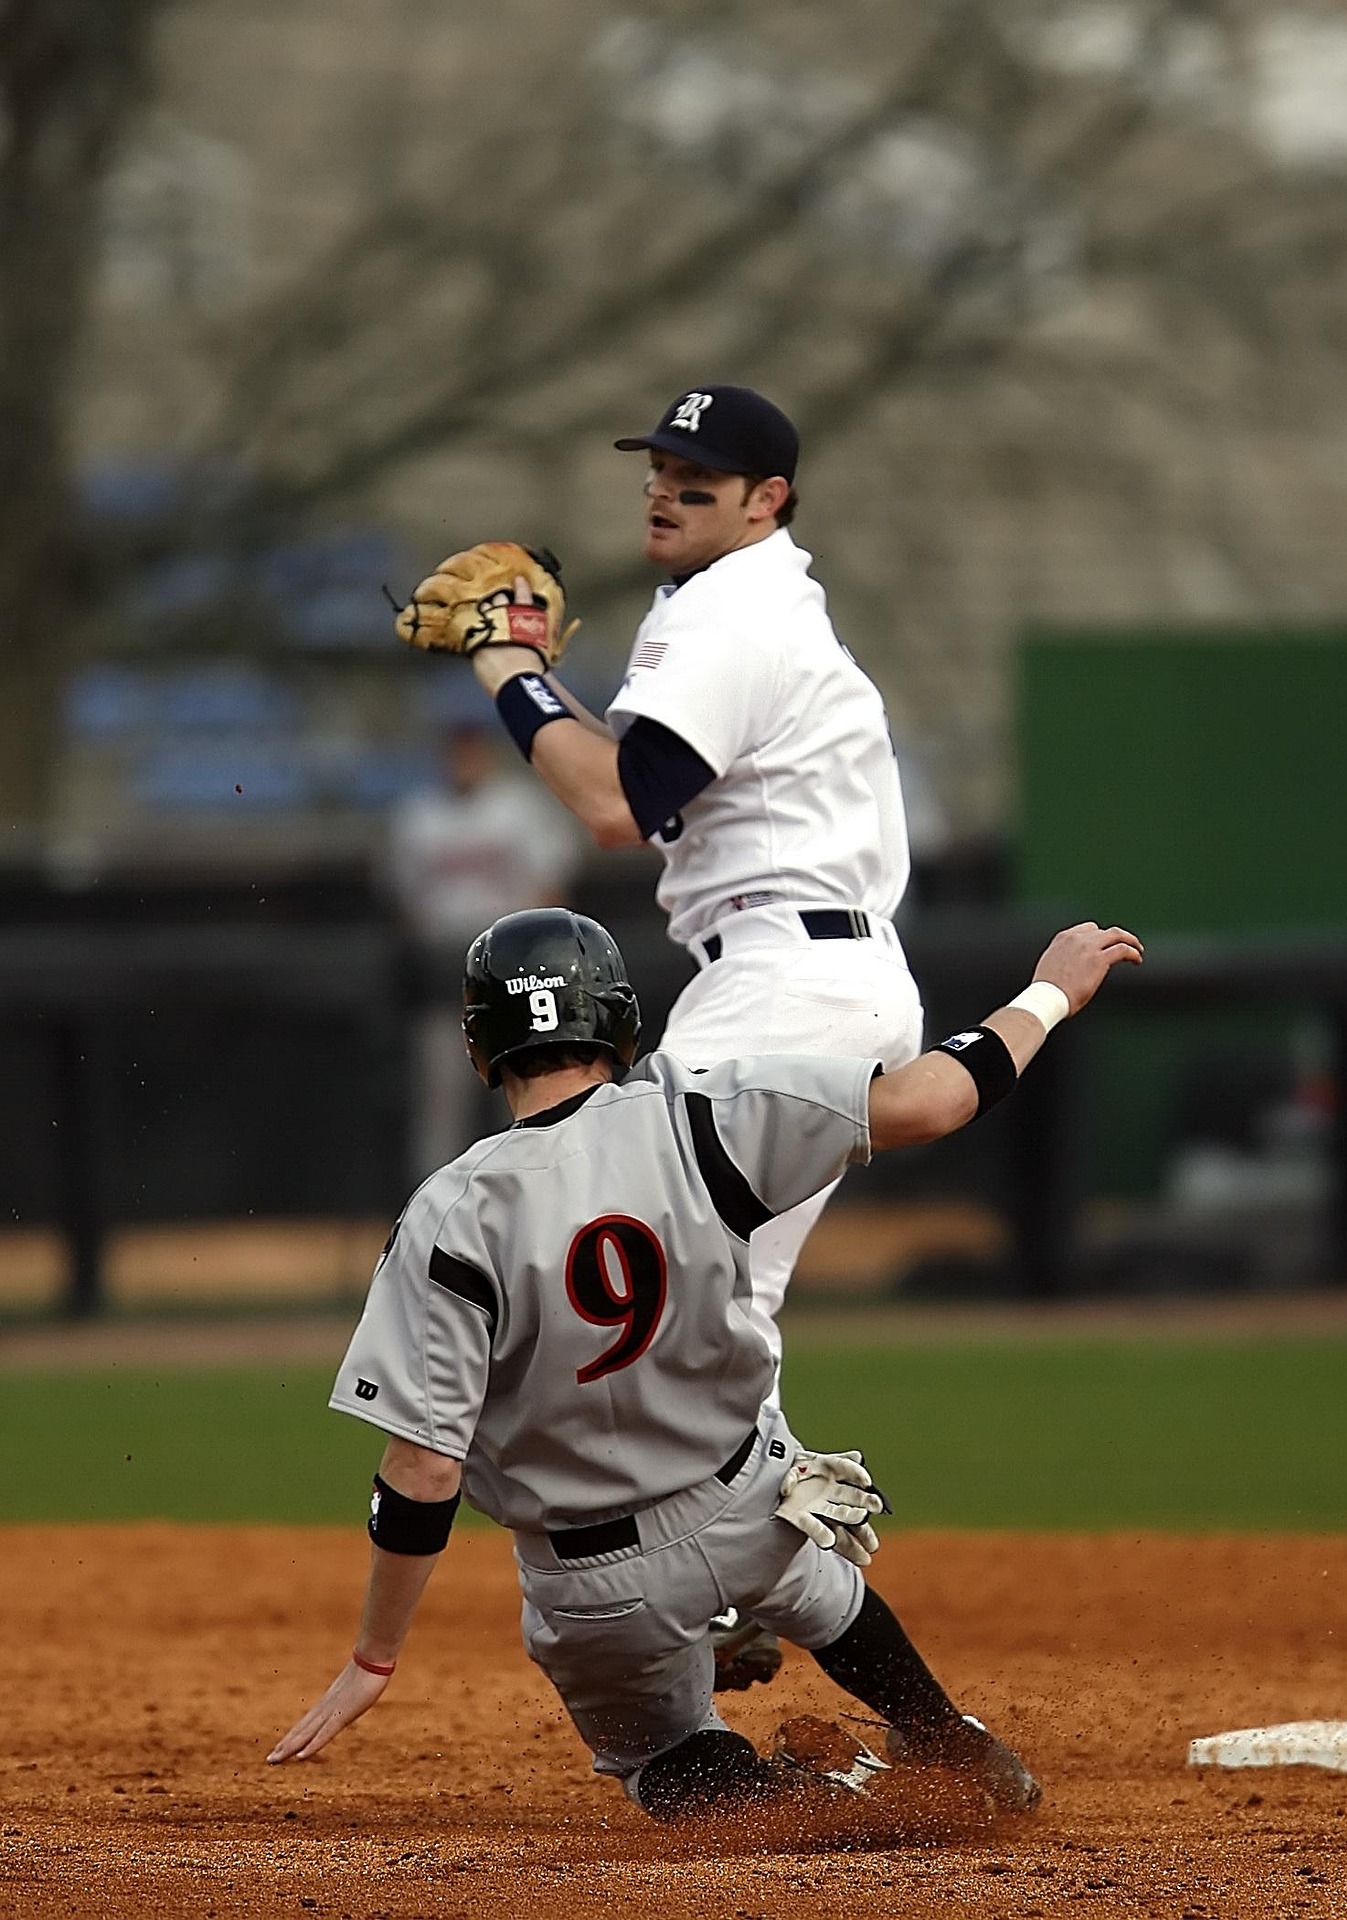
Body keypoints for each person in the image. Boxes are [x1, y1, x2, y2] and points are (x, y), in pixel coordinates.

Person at [267, 907, 1143, 1821]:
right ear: (617, 1018)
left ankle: (808, 1812)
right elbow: (933, 1099)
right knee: (820, 1590)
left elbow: (422, 1469)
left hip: (592, 1581)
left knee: (665, 1752)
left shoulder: (449, 1213)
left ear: (480, 1044)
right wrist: (1050, 992)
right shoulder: (701, 1114)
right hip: (744, 1504)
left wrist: (374, 1656)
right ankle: (940, 1737)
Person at [463, 384, 924, 1685]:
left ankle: (745, 1538)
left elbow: (615, 805)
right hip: (795, 973)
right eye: (658, 467)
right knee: (700, 1273)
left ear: (768, 498)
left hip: (787, 979)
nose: (664, 489)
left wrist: (506, 666)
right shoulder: (726, 606)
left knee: (662, 1259)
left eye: (699, 477)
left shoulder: (736, 611)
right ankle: (750, 1532)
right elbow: (637, 775)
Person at [385, 711, 578, 1179]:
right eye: (455, 747)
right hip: (446, 977)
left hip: (513, 971)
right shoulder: (418, 815)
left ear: (486, 751)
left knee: (525, 1090)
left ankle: (530, 1191)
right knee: (441, 1100)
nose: (463, 757)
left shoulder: (519, 808)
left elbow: (553, 892)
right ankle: (436, 1206)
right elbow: (403, 905)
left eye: (471, 746)